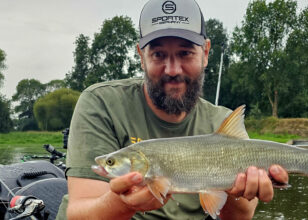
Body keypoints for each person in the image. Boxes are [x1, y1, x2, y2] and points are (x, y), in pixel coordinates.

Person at [56, 0, 289, 219]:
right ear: (141, 56)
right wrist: (124, 204)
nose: (172, 69)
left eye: (185, 53)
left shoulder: (222, 120)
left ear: (206, 53)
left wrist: (237, 192)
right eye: (158, 55)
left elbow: (240, 216)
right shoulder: (101, 103)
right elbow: (79, 213)